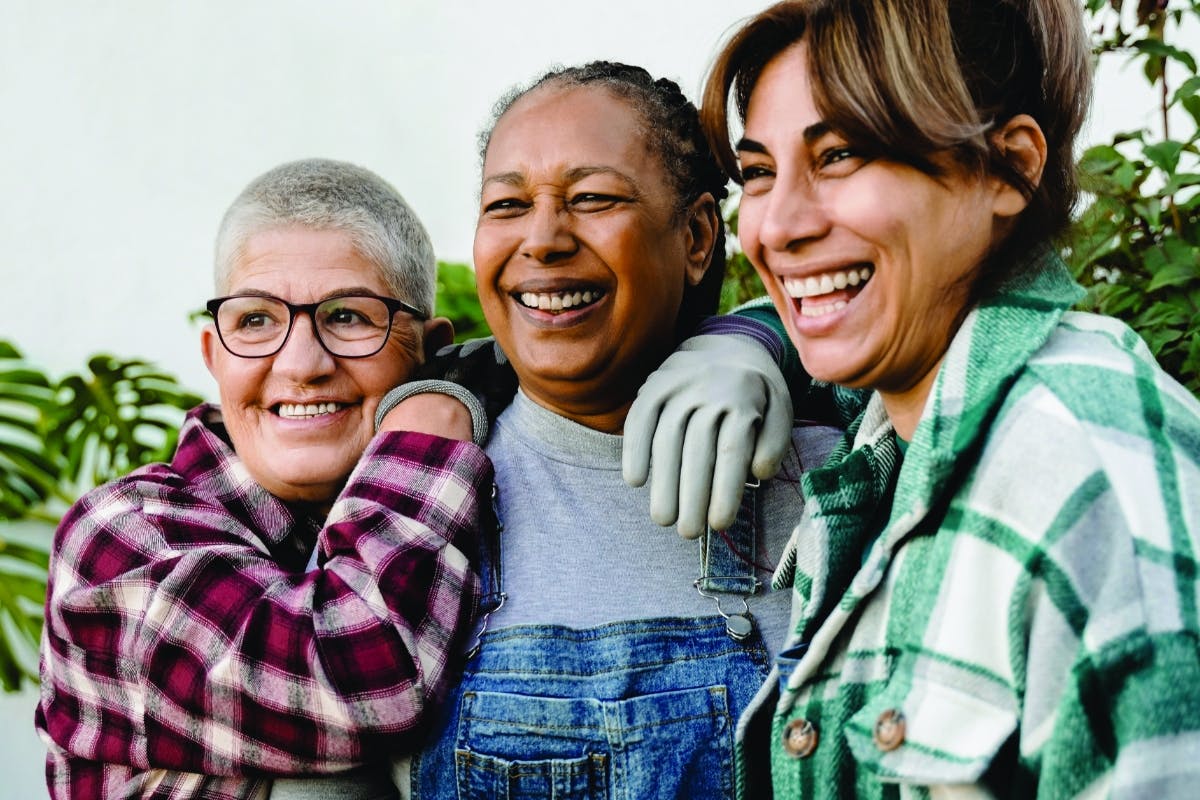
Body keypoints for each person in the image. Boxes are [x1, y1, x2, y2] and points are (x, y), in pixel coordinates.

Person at [699, 0, 1200, 796]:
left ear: (1009, 170)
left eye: (841, 155)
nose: (776, 226)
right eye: (759, 172)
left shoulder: (1085, 468)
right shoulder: (889, 441)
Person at [398, 61, 842, 800]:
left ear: (698, 236)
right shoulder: (409, 498)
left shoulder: (836, 479)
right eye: (506, 205)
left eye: (593, 198)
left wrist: (758, 337)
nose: (542, 239)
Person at [36, 158, 496, 799]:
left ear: (429, 347)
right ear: (213, 356)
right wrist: (424, 425)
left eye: (348, 317)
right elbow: (368, 680)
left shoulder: (481, 497)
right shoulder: (121, 534)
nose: (302, 364)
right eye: (255, 320)